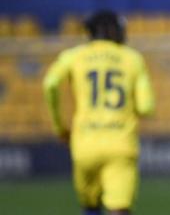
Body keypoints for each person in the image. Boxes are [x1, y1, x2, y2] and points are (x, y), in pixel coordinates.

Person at [43, 11, 155, 215]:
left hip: (84, 143)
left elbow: (50, 84)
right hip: (120, 142)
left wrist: (59, 126)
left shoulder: (74, 56)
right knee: (119, 208)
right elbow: (146, 107)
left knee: (90, 205)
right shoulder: (132, 58)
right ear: (113, 30)